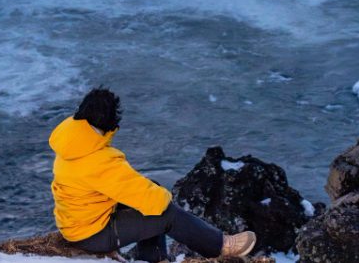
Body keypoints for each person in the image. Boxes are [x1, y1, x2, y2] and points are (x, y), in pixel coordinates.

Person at [49, 87, 256, 261]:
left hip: (77, 222)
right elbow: (155, 203)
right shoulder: (99, 160)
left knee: (151, 192)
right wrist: (164, 196)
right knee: (166, 214)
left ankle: (152, 258)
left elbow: (117, 185)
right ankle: (221, 246)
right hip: (92, 235)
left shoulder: (73, 141)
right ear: (111, 123)